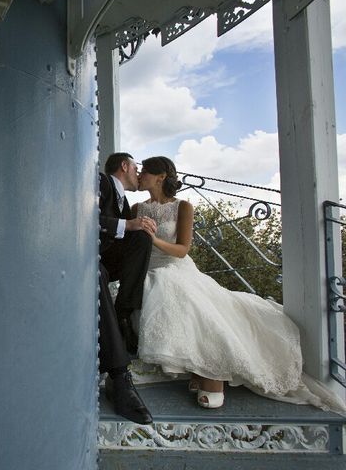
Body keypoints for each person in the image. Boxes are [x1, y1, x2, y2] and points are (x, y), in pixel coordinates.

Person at [133, 156, 346, 413]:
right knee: (150, 293)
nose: (140, 175)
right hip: (146, 269)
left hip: (174, 267)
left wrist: (152, 239)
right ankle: (197, 372)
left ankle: (213, 373)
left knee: (180, 297)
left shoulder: (183, 207)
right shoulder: (136, 209)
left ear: (160, 177)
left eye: (145, 171)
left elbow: (182, 250)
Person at [98, 153, 156, 424]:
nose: (138, 173)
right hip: (88, 258)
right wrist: (127, 224)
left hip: (107, 258)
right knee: (95, 271)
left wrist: (135, 227)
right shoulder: (100, 182)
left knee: (143, 236)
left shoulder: (126, 201)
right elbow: (83, 217)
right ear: (124, 166)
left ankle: (124, 311)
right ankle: (119, 377)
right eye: (136, 167)